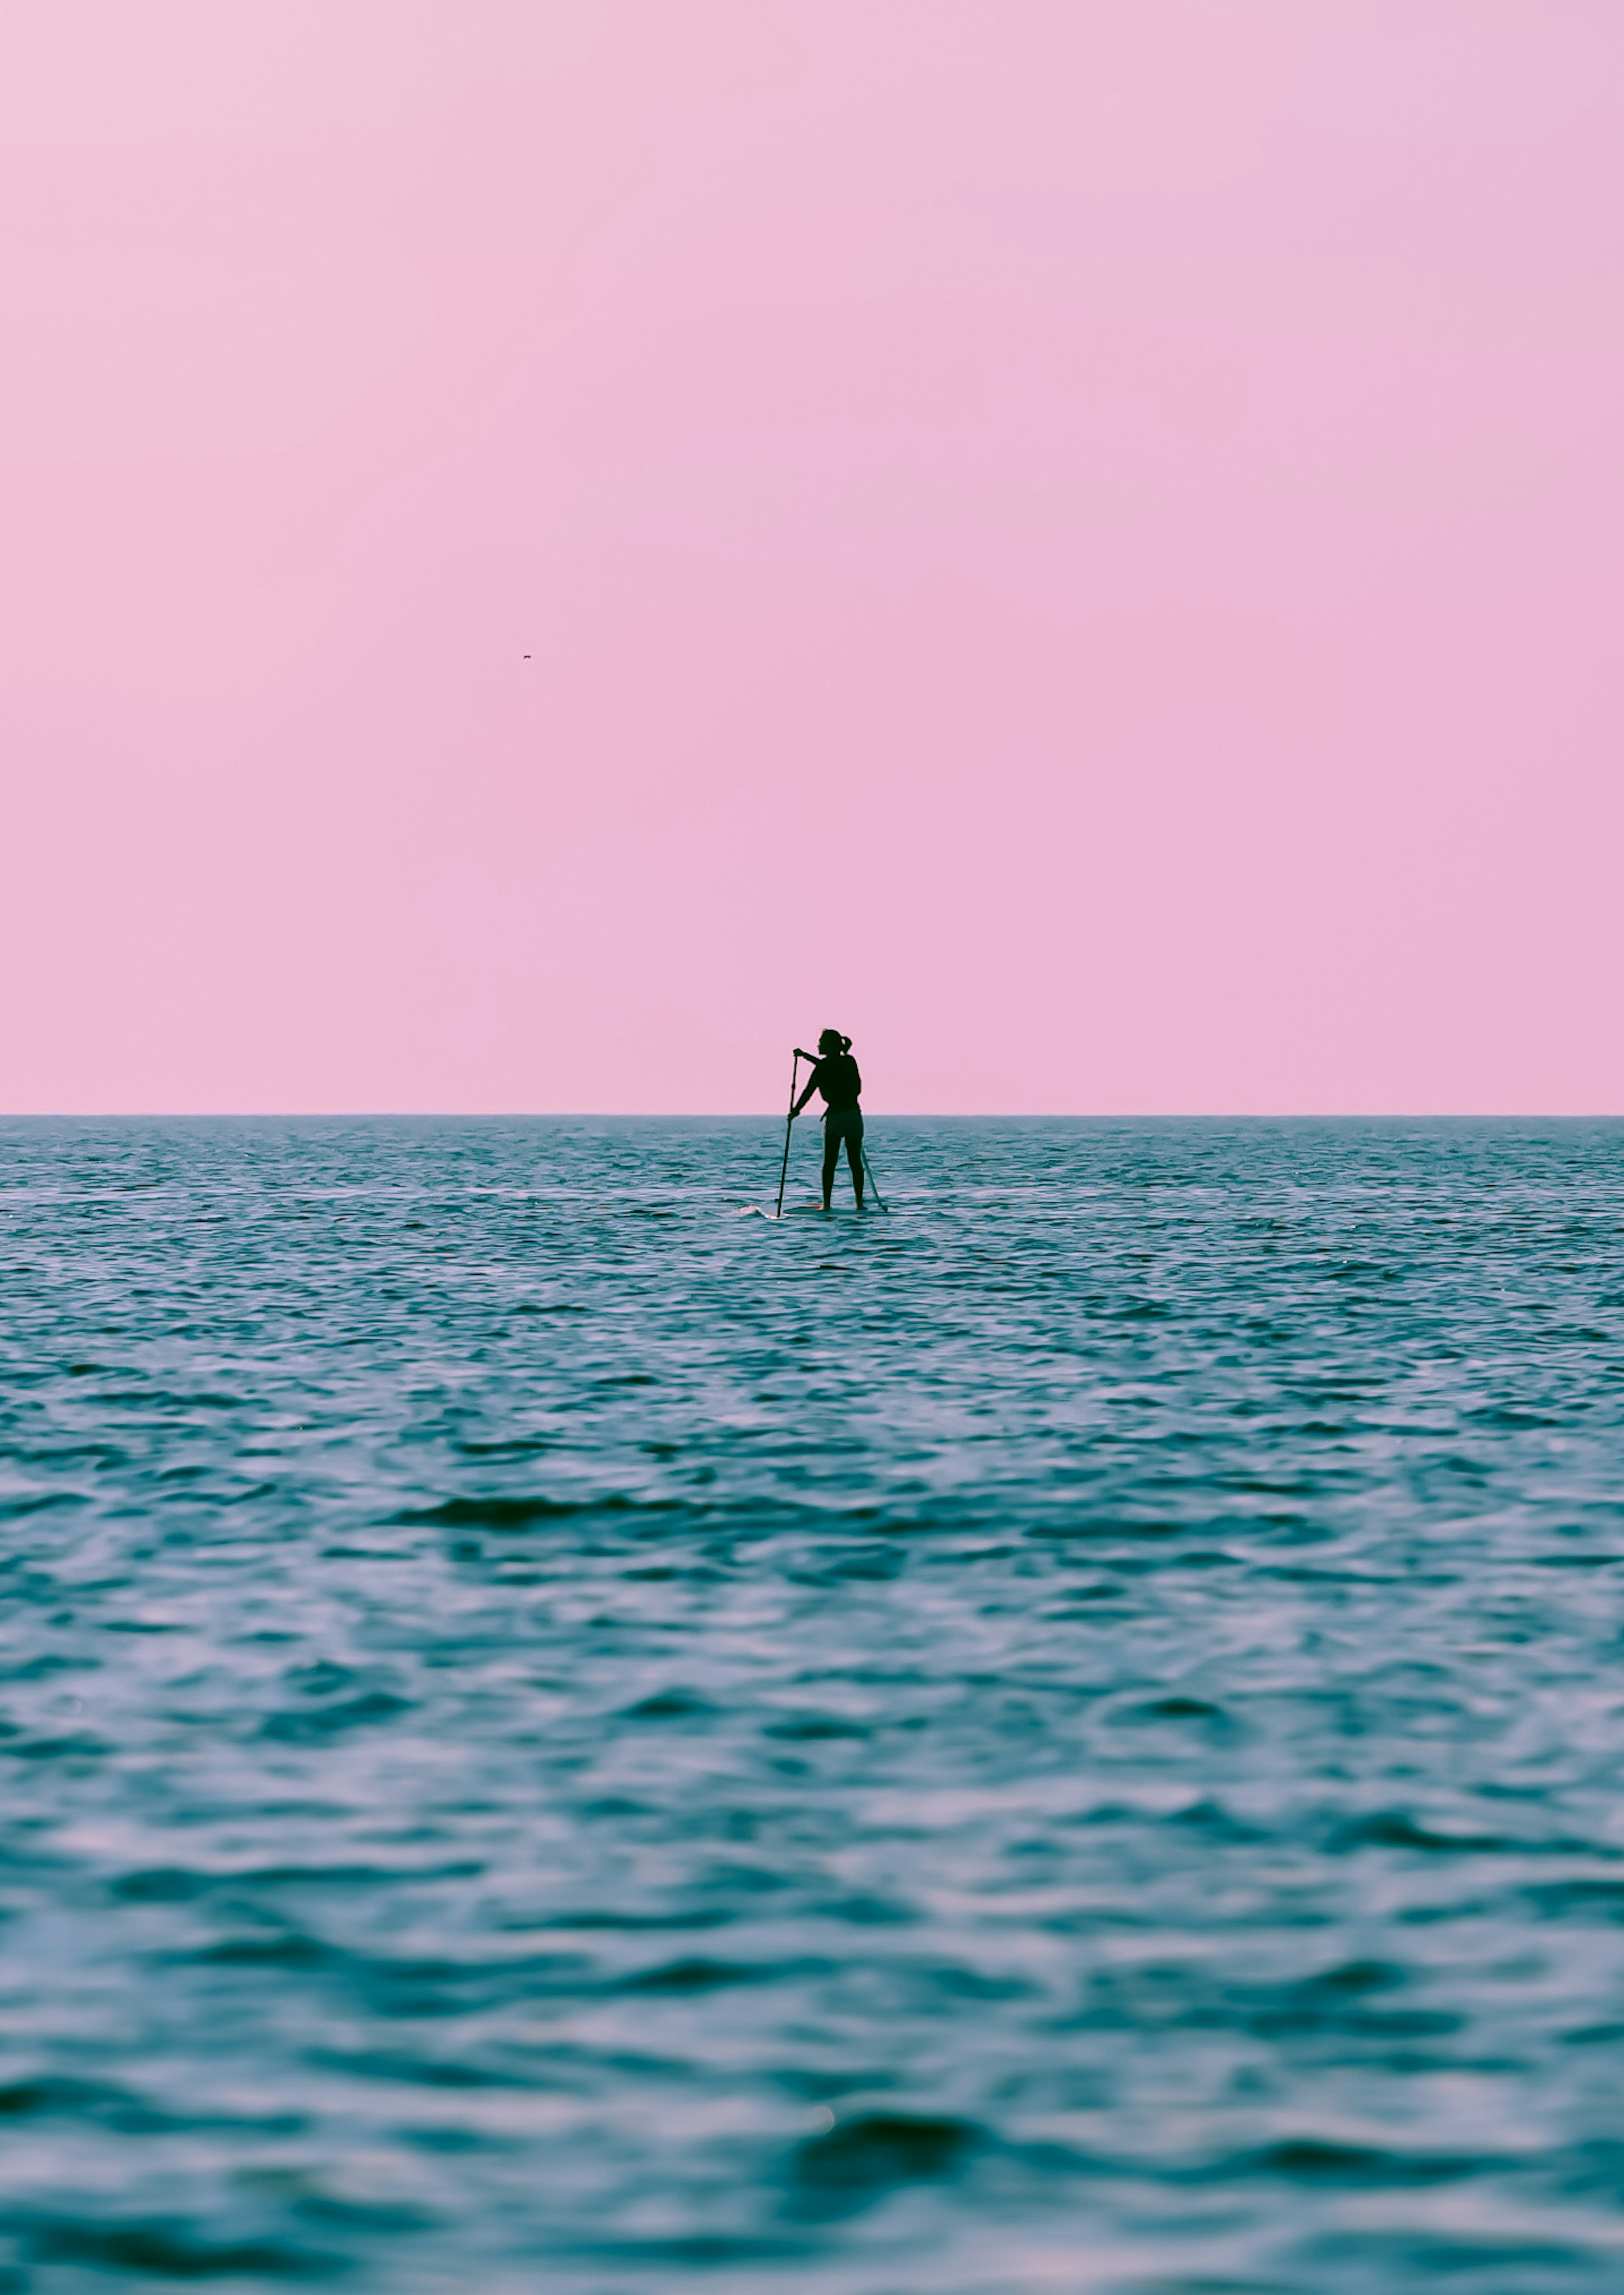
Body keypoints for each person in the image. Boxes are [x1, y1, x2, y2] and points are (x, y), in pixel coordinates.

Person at [791, 1030, 865, 1211]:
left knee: (830, 1164)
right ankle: (860, 1204)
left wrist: (795, 1111)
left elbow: (809, 1091)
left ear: (829, 1045)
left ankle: (827, 1205)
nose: (818, 1045)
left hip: (836, 1118)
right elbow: (833, 1067)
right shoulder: (850, 1061)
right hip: (853, 1116)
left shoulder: (823, 1068)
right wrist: (805, 1056)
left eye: (821, 1042)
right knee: (855, 1161)